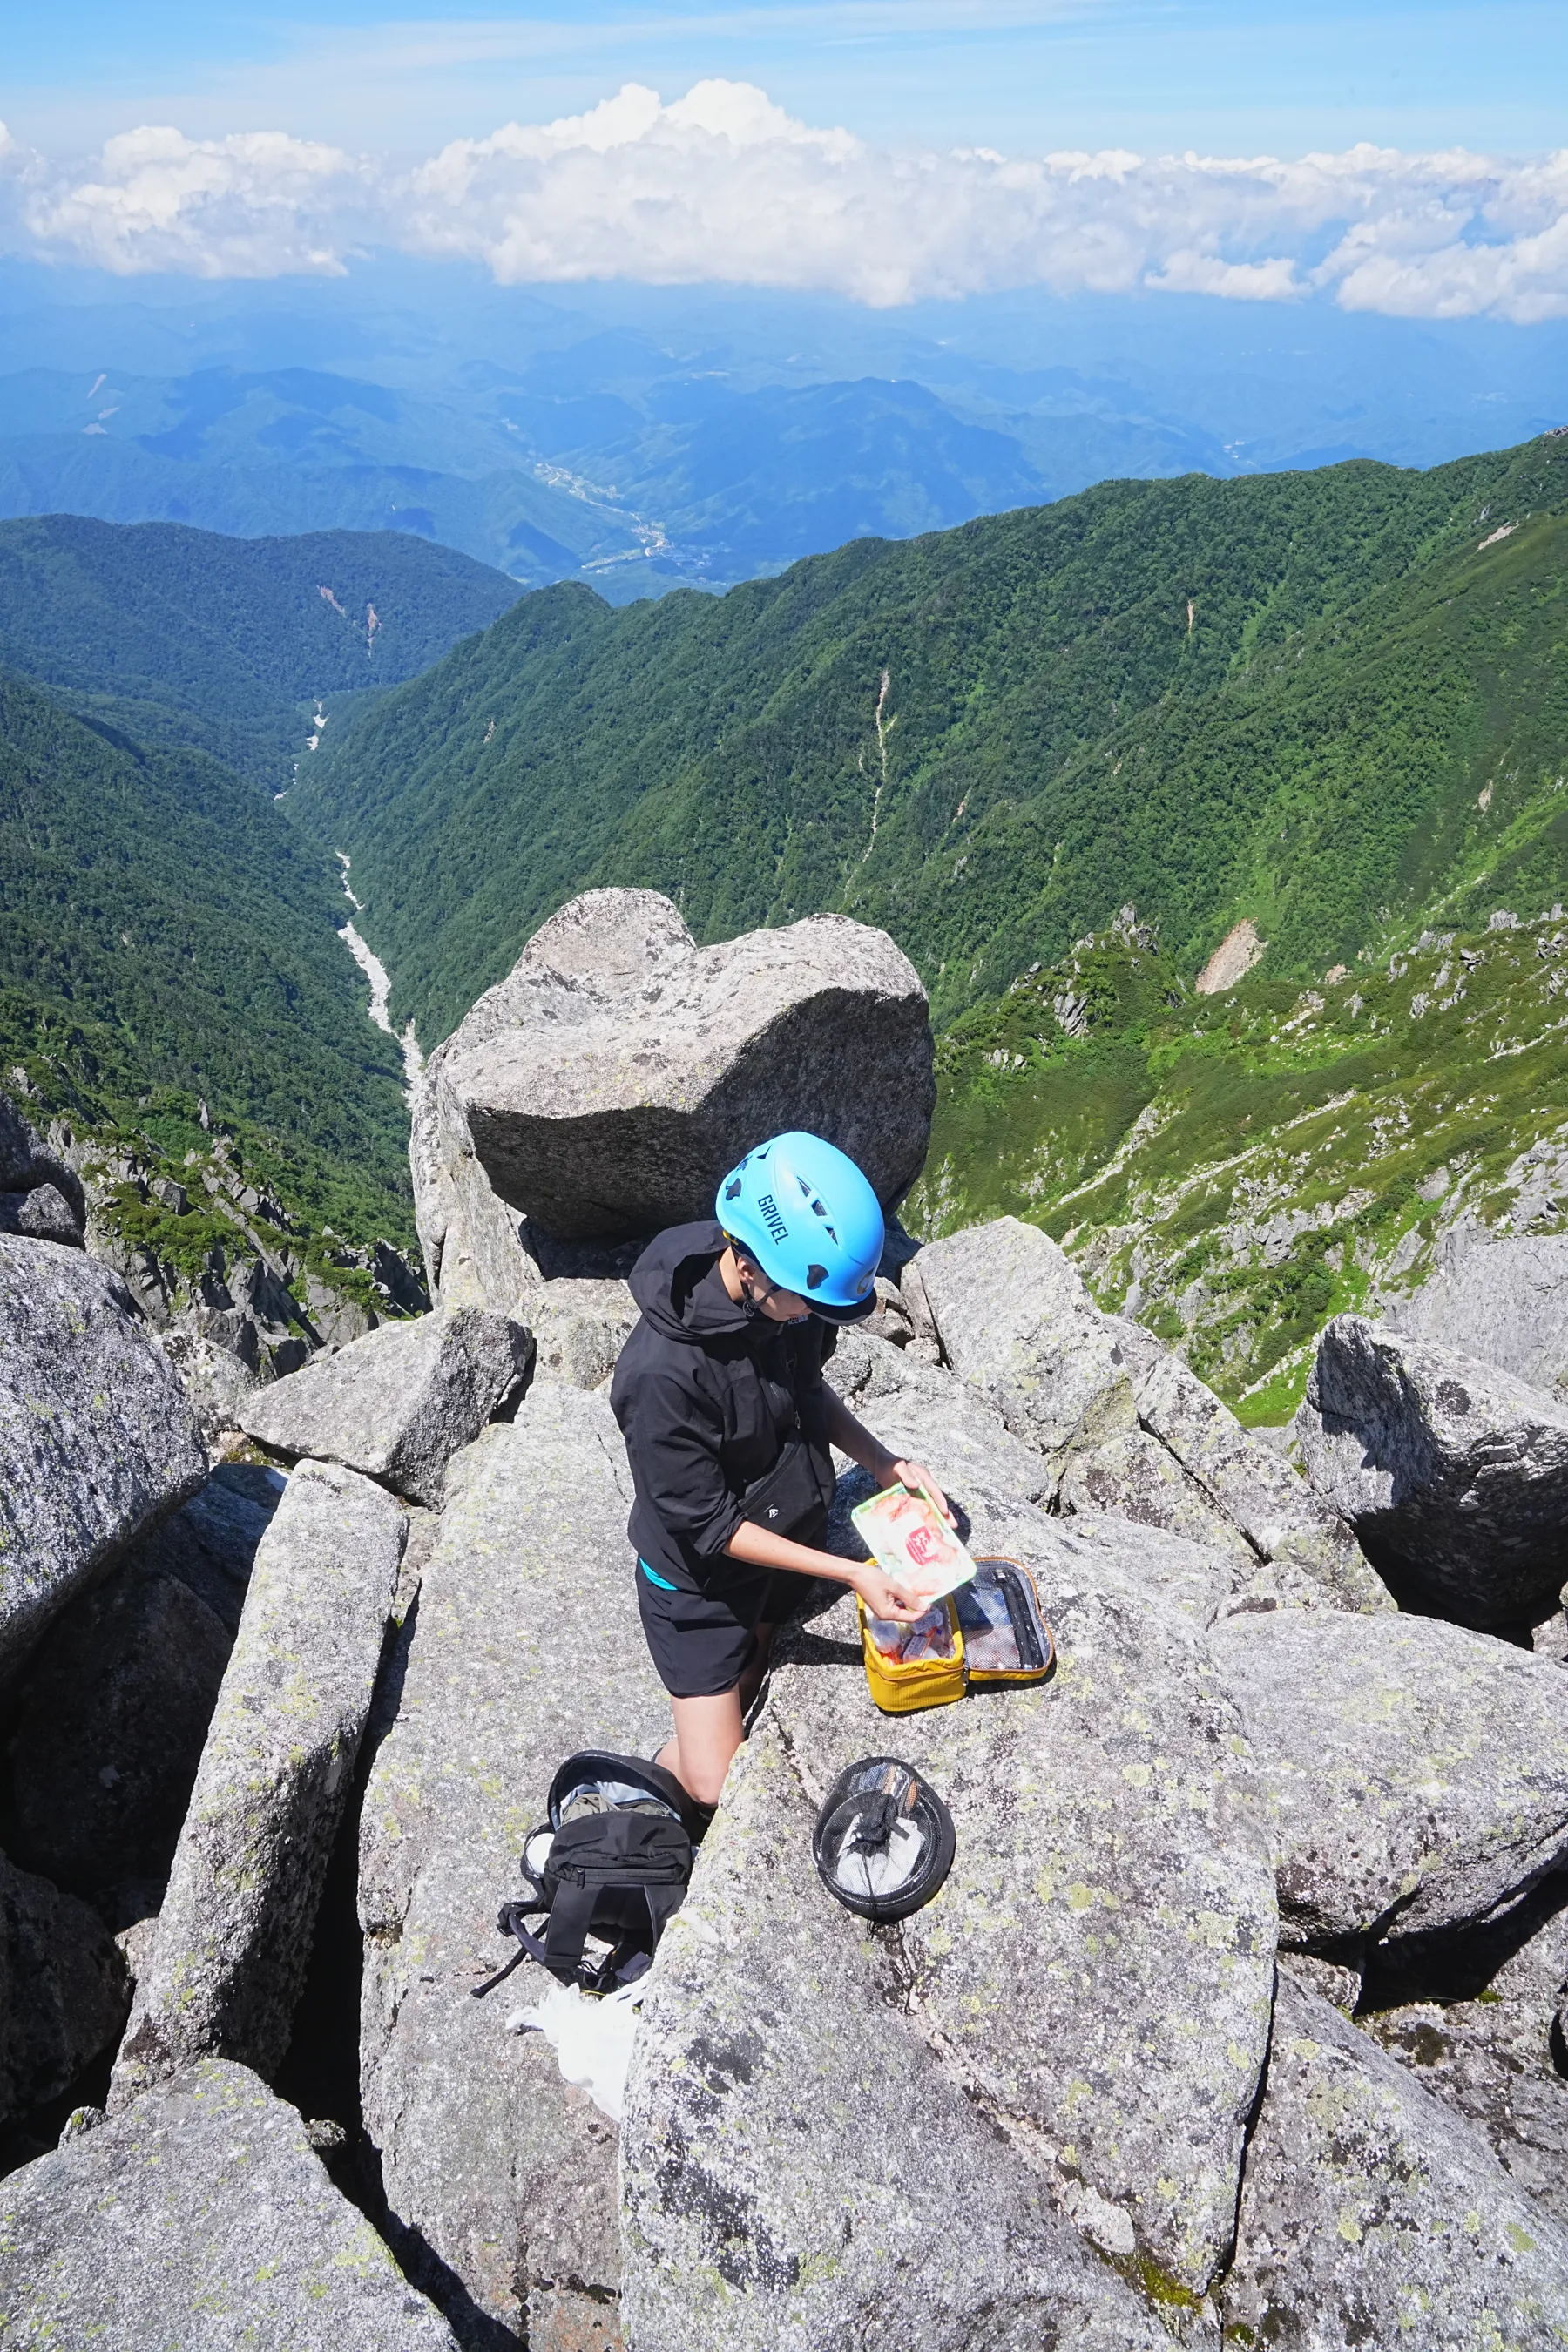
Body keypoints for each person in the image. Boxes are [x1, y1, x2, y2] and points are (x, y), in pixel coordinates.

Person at [610, 1130, 951, 1808]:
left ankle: (729, 1702)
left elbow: (807, 1391)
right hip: (699, 1585)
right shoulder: (660, 1378)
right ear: (751, 1265)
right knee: (714, 1783)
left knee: (755, 1671)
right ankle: (636, 1797)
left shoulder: (786, 1297)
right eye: (809, 1303)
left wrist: (884, 1463)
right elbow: (708, 1528)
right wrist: (856, 1574)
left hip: (781, 1535)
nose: (815, 1319)